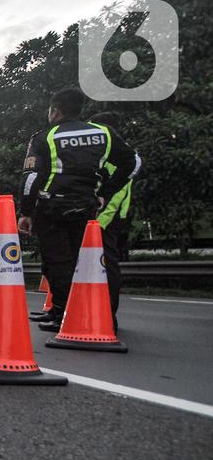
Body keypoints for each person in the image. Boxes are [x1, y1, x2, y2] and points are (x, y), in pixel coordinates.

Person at [17, 88, 140, 332]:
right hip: (87, 208)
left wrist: (26, 211)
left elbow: (31, 178)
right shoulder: (103, 133)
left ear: (55, 111)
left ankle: (64, 315)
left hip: (52, 207)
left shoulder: (44, 137)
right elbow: (133, 162)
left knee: (57, 262)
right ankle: (85, 314)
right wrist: (105, 191)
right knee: (85, 263)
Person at [88, 112, 138, 324]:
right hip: (107, 216)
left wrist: (100, 220)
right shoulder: (121, 150)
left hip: (105, 218)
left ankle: (108, 317)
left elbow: (116, 193)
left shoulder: (117, 154)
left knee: (106, 265)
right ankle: (94, 313)